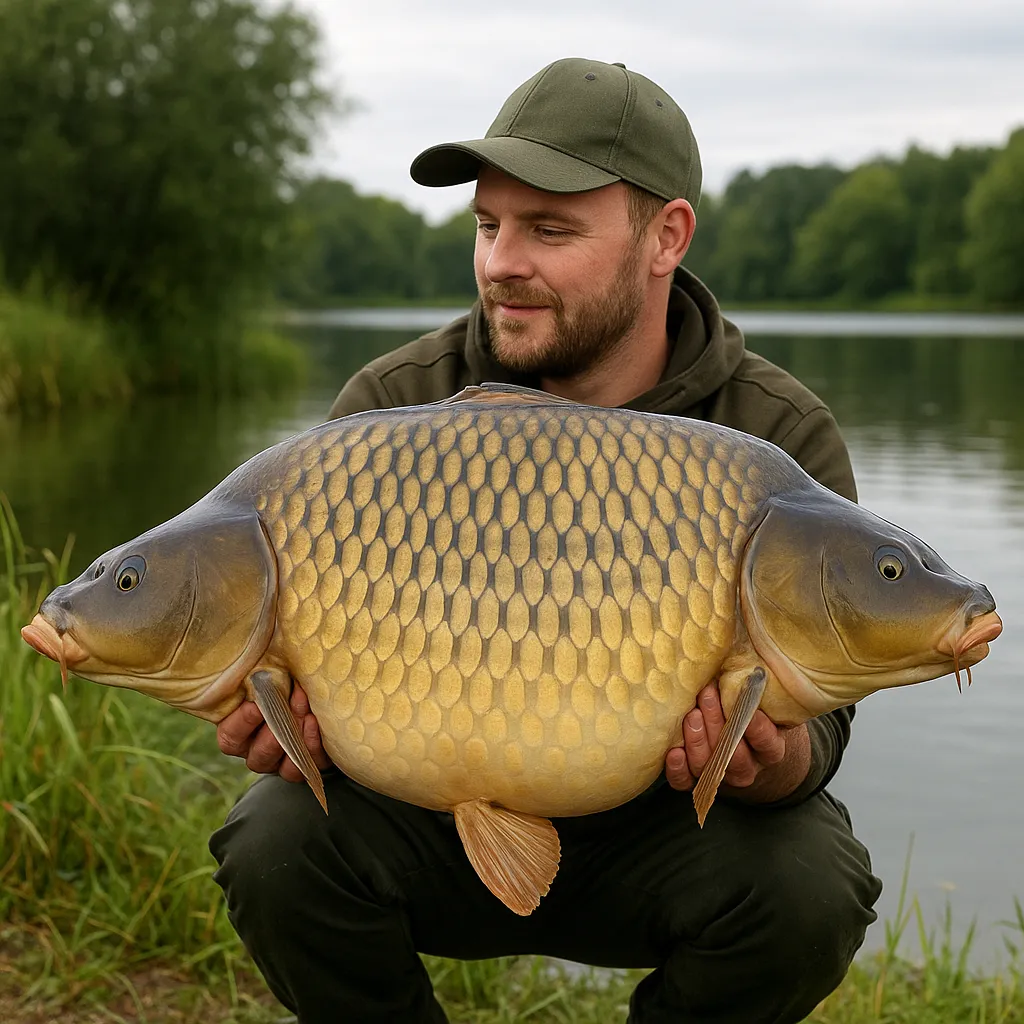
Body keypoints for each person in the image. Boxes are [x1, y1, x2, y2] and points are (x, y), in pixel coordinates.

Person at [210, 57, 882, 1023]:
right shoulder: (390, 410)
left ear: (667, 238)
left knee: (812, 882)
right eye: (489, 225)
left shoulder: (774, 434)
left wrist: (774, 762)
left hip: (664, 836)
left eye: (549, 228)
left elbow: (826, 716)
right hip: (427, 827)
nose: (499, 262)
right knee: (274, 835)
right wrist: (293, 731)